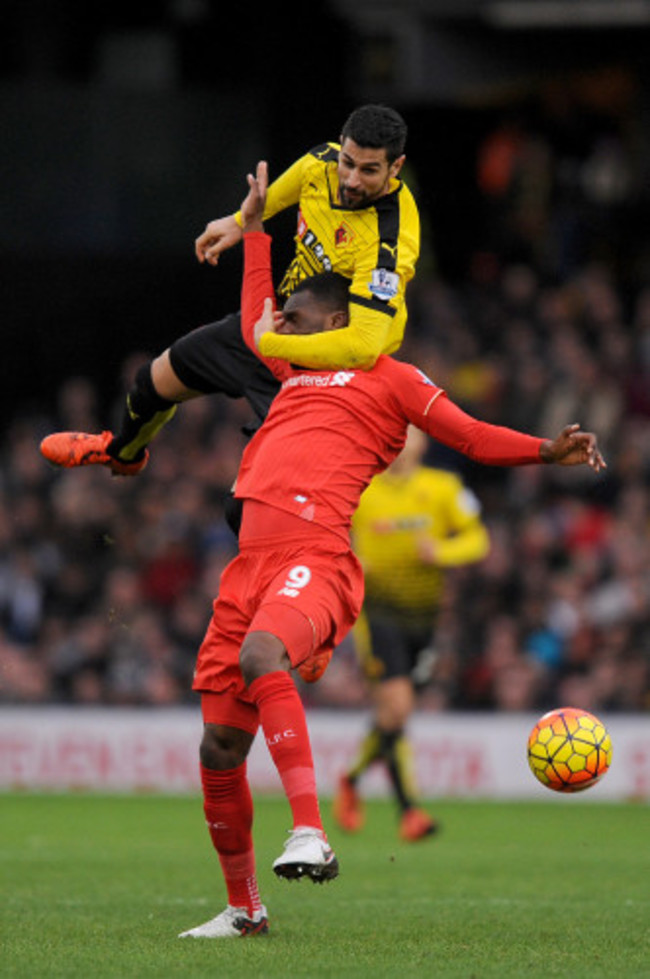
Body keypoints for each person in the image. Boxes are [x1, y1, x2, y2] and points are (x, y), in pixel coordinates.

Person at [175, 162, 605, 939]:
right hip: (248, 567)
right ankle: (243, 910)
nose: (284, 325)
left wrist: (546, 448)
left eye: (297, 319)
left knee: (264, 655)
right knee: (217, 744)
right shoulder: (283, 360)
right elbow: (251, 317)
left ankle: (310, 828)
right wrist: (254, 228)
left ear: (333, 317)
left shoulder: (389, 376)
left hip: (317, 555)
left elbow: (470, 435)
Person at [40, 104, 420, 518]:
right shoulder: (321, 163)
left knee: (244, 509)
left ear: (395, 167)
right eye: (348, 162)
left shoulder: (390, 239)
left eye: (368, 170)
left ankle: (277, 577)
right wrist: (237, 222)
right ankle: (123, 453)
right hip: (277, 325)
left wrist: (270, 342)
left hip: (320, 374)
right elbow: (270, 201)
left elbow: (362, 347)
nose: (351, 178)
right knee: (151, 382)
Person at [333, 425, 490, 842]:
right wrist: (350, 566)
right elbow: (333, 541)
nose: (401, 446)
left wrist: (441, 551)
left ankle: (350, 780)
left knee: (392, 715)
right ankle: (410, 811)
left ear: (423, 443)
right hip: (376, 611)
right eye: (394, 438)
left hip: (425, 615)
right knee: (399, 707)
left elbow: (478, 539)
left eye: (410, 437)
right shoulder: (360, 489)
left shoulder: (443, 487)